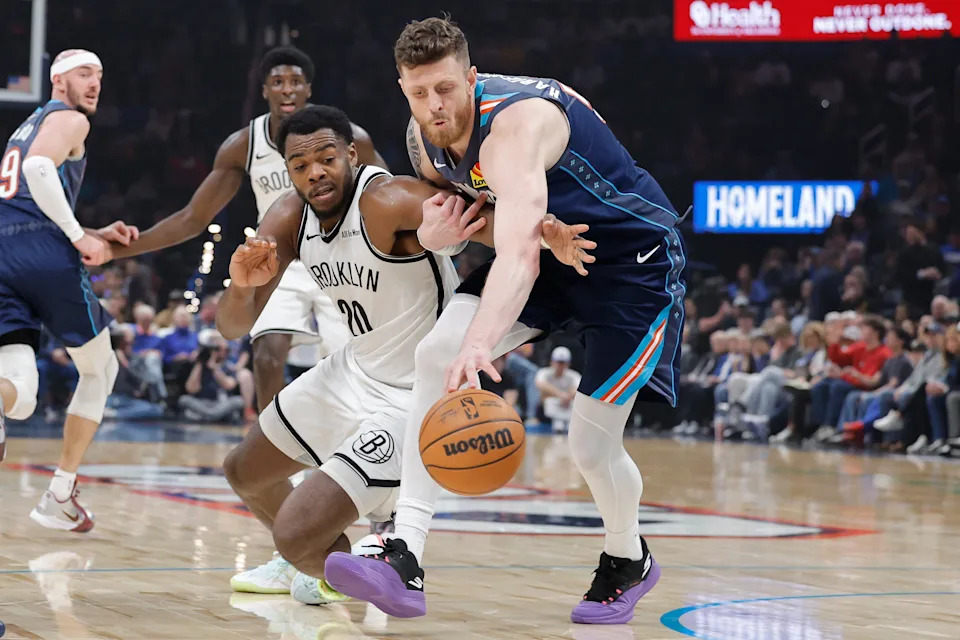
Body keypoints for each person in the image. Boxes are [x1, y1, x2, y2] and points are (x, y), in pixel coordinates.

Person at [324, 17, 686, 625]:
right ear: (402, 89)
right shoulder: (424, 137)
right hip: (551, 252)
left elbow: (515, 258)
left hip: (631, 264)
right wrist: (436, 236)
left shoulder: (513, 130)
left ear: (471, 77)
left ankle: (628, 558)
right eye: (419, 93)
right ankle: (404, 551)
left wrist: (482, 344)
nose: (434, 106)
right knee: (435, 354)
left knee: (590, 447)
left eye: (445, 89)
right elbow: (474, 219)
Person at [215, 106, 593, 604]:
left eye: (327, 158)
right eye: (300, 165)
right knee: (242, 471)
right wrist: (243, 288)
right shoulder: (288, 216)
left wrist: (550, 235)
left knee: (294, 533)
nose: (315, 173)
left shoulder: (391, 200)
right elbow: (232, 326)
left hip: (411, 395)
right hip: (353, 370)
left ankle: (354, 561)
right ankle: (326, 567)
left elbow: (496, 226)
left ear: (351, 154)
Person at [100, 46, 385, 414]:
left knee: (350, 360)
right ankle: (272, 454)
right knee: (267, 353)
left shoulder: (348, 138)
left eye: (296, 82)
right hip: (279, 259)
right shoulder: (243, 146)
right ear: (264, 89)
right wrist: (116, 250)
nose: (287, 90)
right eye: (277, 82)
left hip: (339, 254)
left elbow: (385, 195)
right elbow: (192, 218)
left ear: (309, 90)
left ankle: (352, 446)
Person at [0, 49, 139, 531]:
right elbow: (39, 172)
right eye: (84, 73)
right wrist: (81, 237)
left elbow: (25, 201)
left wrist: (93, 230)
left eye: (100, 74)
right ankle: (59, 494)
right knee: (101, 369)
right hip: (40, 254)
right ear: (58, 80)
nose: (95, 83)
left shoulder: (28, 126)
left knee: (19, 395)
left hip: (4, 254)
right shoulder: (69, 119)